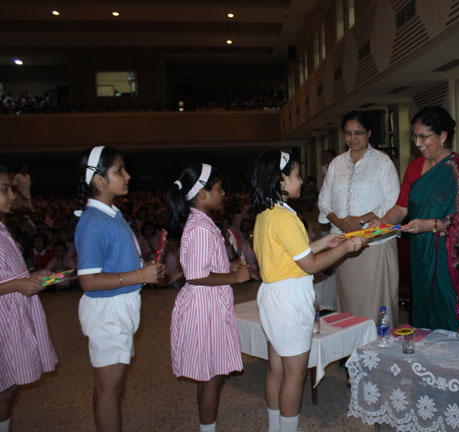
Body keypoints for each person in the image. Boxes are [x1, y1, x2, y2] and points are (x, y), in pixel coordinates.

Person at [251, 150, 366, 432]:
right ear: (281, 180)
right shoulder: (286, 219)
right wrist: (346, 247)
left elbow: (291, 254)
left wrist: (325, 242)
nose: (302, 181)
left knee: (277, 367)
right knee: (295, 374)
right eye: (297, 175)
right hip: (289, 301)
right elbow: (310, 265)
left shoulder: (267, 213)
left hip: (272, 296)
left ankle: (276, 427)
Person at [74, 146, 165, 432]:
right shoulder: (93, 222)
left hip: (118, 307)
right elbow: (89, 280)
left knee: (111, 388)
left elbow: (115, 261)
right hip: (107, 311)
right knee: (109, 391)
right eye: (119, 170)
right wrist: (139, 274)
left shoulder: (111, 214)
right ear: (99, 180)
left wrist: (144, 270)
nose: (127, 176)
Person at [375, 106, 459, 331]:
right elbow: (401, 208)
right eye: (415, 137)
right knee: (423, 305)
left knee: (447, 308)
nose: (418, 143)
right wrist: (382, 222)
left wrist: (430, 224)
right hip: (420, 249)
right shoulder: (415, 167)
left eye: (424, 137)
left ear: (443, 136)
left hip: (449, 253)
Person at [166, 162, 251, 432]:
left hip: (208, 302)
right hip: (204, 307)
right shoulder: (200, 228)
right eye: (219, 188)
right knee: (213, 377)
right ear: (202, 194)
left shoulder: (202, 223)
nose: (223, 193)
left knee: (208, 375)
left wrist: (229, 266)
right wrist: (234, 278)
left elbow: (204, 266)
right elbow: (196, 275)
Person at [318, 111, 401, 327]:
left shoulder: (382, 162)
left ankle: (378, 343)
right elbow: (324, 201)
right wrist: (339, 222)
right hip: (343, 242)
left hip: (374, 241)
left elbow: (393, 201)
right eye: (348, 133)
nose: (353, 138)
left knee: (375, 302)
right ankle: (351, 343)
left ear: (369, 133)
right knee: (349, 302)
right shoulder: (336, 164)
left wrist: (361, 221)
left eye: (359, 133)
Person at [0, 164, 58, 432]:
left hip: (12, 314)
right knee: (4, 388)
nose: (13, 196)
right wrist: (18, 284)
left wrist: (32, 276)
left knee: (10, 385)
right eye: (5, 190)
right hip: (4, 318)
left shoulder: (3, 228)